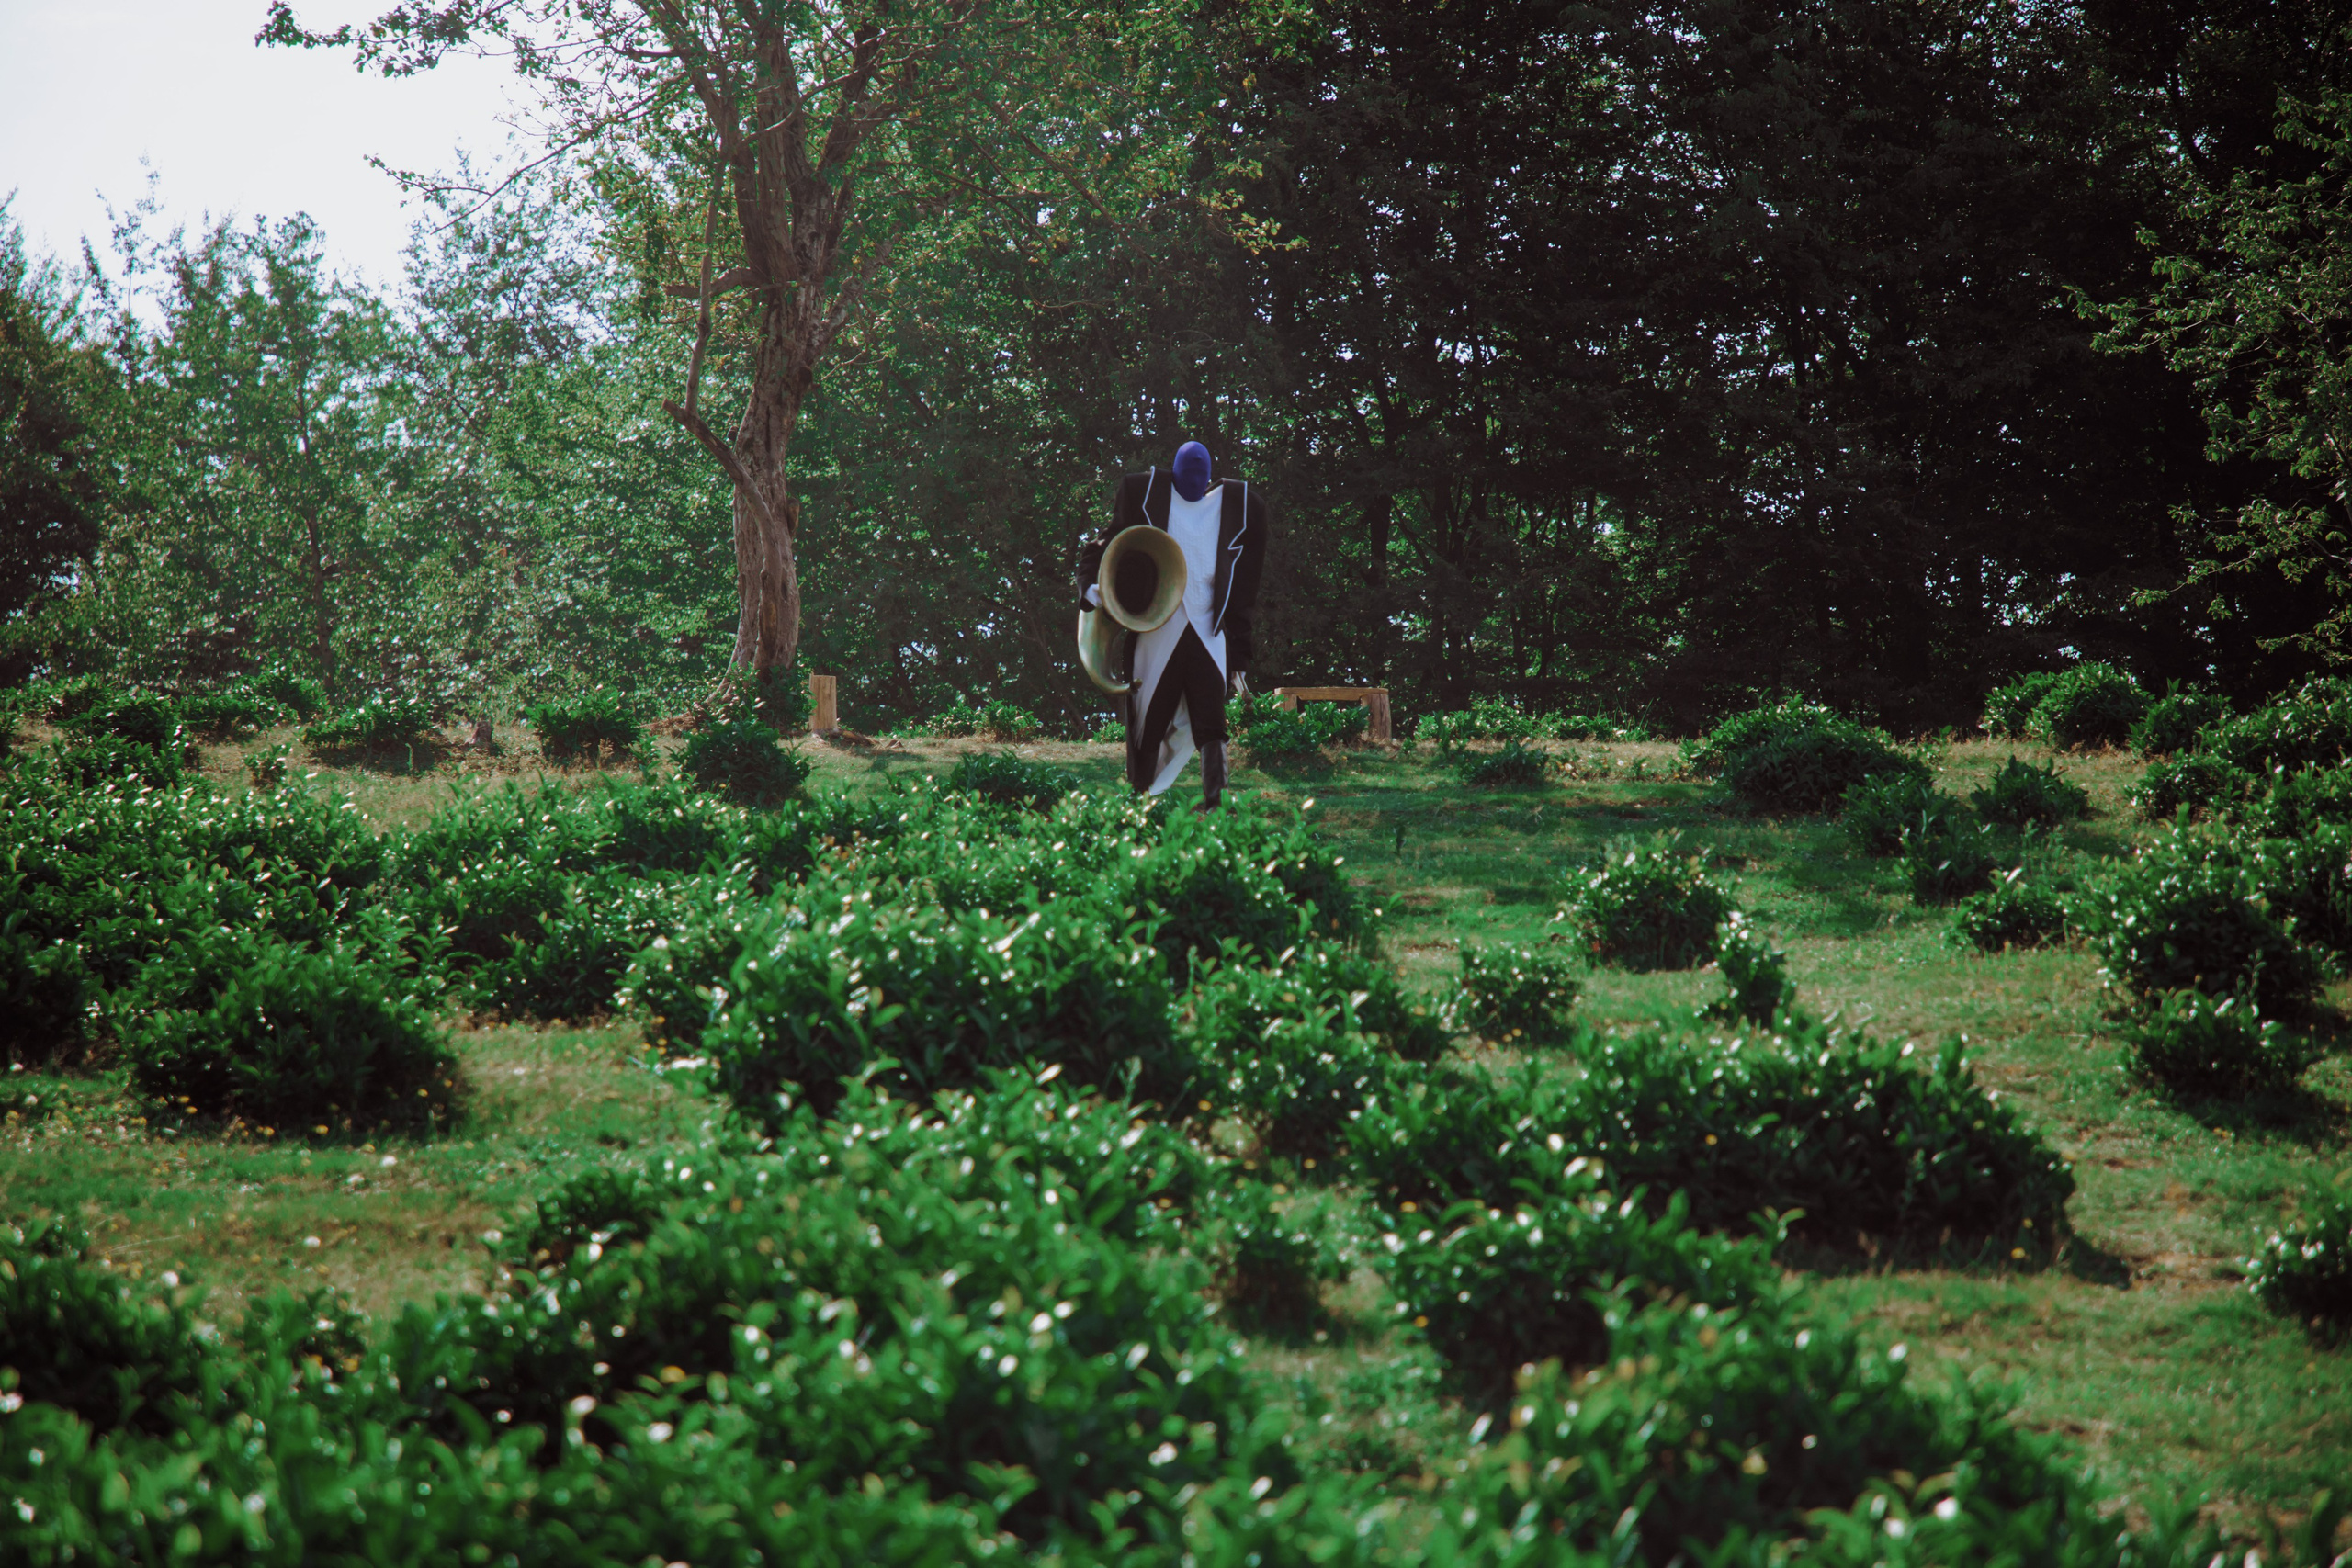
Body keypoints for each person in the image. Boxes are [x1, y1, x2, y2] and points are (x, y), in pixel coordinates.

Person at [1076, 441, 1269, 807]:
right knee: (1149, 722)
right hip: (1156, 629)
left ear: (1210, 476)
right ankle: (1140, 801)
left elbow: (1244, 590)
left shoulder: (1237, 507)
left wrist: (1240, 656)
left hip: (1208, 631)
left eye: (1202, 474)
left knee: (1212, 723)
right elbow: (1101, 545)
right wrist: (1090, 587)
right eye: (1189, 473)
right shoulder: (1144, 494)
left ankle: (1216, 803)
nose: (1196, 479)